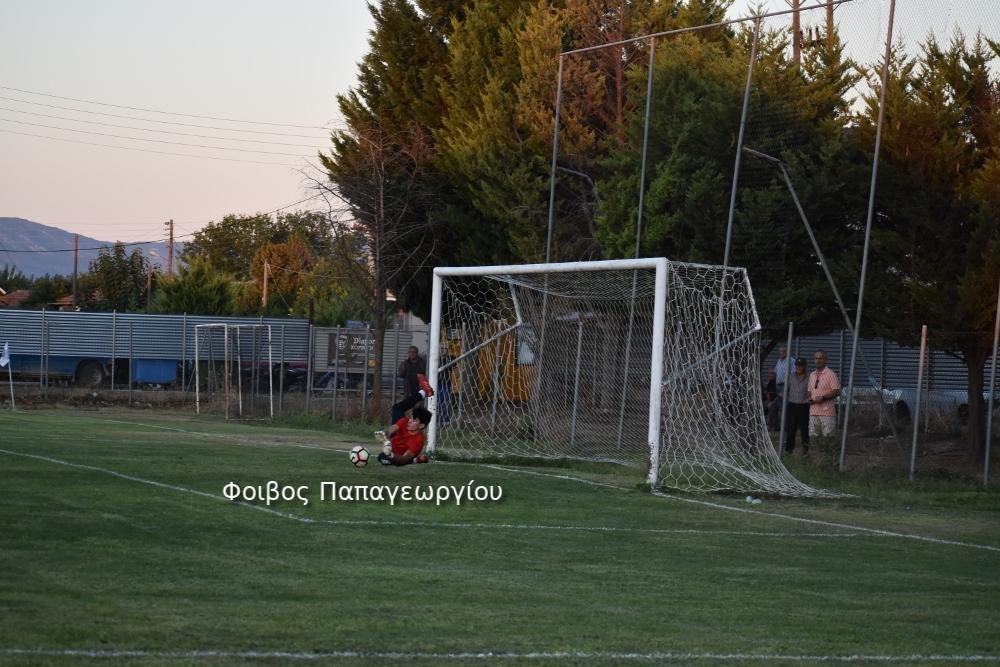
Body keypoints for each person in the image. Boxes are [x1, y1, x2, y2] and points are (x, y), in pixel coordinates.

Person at [808, 350, 840, 438]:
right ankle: (815, 452)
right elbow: (810, 391)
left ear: (826, 360)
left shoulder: (831, 374)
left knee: (828, 438)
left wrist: (823, 397)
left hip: (827, 413)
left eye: (820, 358)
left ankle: (828, 452)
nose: (818, 361)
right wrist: (809, 398)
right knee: (813, 438)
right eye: (816, 358)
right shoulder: (812, 374)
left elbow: (836, 391)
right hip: (813, 412)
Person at [783, 357, 810, 453]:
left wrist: (808, 400)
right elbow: (785, 389)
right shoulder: (790, 376)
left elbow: (811, 391)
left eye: (801, 365)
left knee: (804, 429)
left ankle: (805, 450)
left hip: (804, 406)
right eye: (797, 365)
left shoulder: (809, 377)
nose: (798, 367)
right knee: (791, 428)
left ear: (804, 366)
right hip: (792, 405)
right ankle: (789, 450)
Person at [436, 340, 454, 424]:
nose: (443, 350)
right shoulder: (435, 358)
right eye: (442, 348)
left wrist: (455, 380)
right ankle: (436, 419)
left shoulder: (451, 358)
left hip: (446, 383)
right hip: (435, 383)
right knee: (436, 401)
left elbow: (456, 370)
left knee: (445, 401)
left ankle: (445, 420)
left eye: (445, 348)